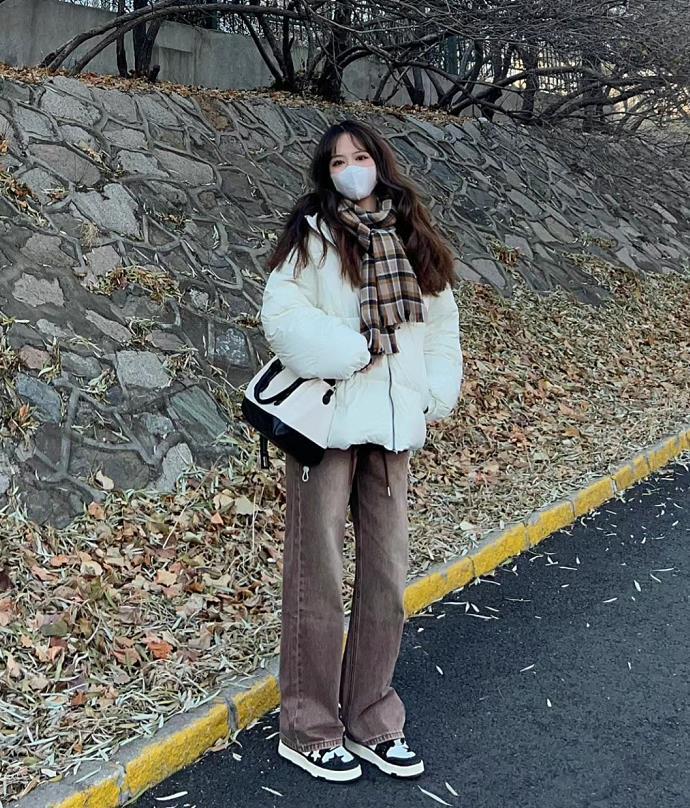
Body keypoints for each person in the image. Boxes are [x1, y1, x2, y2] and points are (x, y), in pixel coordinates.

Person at [260, 119, 463, 783]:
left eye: (361, 156)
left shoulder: (412, 233)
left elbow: (441, 325)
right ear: (326, 173)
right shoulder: (312, 235)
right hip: (326, 426)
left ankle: (373, 715)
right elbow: (282, 315)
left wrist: (434, 392)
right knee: (316, 579)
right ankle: (309, 727)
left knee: (387, 580)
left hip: (395, 425)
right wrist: (351, 351)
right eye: (338, 161)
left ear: (381, 161)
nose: (352, 169)